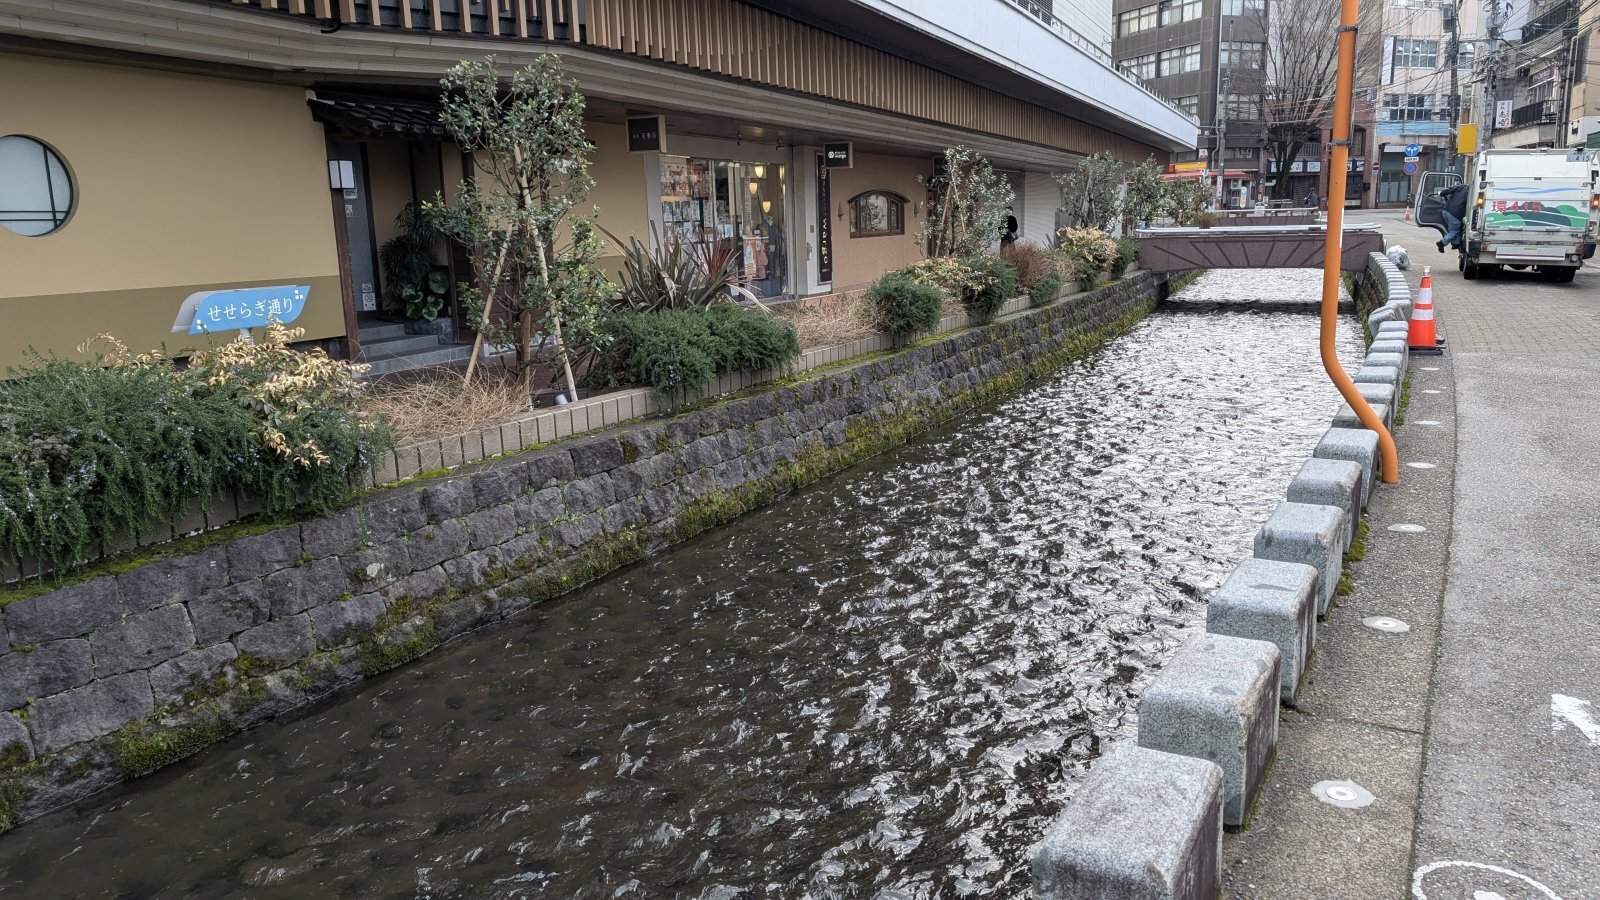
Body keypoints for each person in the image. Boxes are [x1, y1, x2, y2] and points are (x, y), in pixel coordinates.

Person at [1437, 182, 1470, 253]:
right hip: (1455, 214)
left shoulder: (1461, 186)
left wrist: (1441, 193)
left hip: (1446, 210)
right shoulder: (1472, 190)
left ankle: (1455, 245)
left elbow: (1449, 190)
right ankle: (1441, 243)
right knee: (1454, 231)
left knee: (1452, 229)